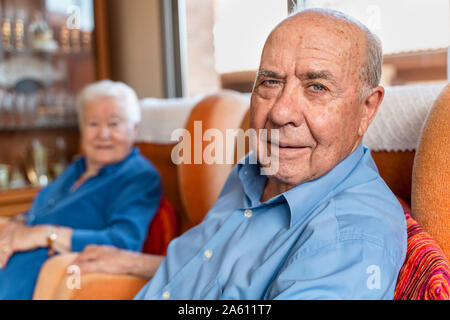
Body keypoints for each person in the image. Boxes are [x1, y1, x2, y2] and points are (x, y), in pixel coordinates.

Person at [74, 8, 407, 300]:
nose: (280, 112)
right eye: (270, 82)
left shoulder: (350, 236)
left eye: (316, 87)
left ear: (367, 109)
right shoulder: (253, 171)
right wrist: (135, 262)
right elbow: (218, 270)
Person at [0, 80, 162, 299]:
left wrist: (46, 235)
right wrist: (19, 224)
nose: (102, 134)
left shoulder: (138, 176)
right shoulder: (78, 168)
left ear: (133, 129)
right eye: (93, 124)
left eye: (114, 124)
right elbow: (40, 213)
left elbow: (123, 242)